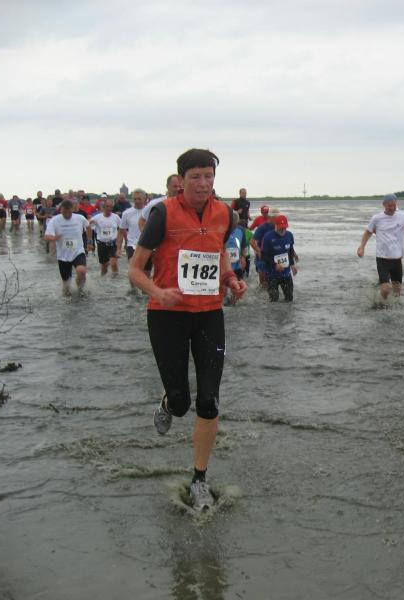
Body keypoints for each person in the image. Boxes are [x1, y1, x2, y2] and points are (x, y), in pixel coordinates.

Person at [128, 148, 246, 511]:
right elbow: (134, 270)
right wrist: (158, 292)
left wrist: (230, 278)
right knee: (181, 403)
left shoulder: (225, 213)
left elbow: (219, 252)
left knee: (209, 400)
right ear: (181, 180)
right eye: (195, 177)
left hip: (209, 314)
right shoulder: (162, 213)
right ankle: (168, 403)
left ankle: (199, 479)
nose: (203, 184)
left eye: (208, 176)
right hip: (168, 316)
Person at [44, 199, 93, 295]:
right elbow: (46, 236)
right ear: (61, 210)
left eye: (69, 212)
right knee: (66, 286)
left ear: (72, 209)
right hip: (63, 255)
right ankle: (68, 296)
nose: (67, 214)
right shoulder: (55, 220)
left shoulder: (80, 218)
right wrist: (54, 238)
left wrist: (89, 241)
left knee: (81, 271)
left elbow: (88, 227)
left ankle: (80, 291)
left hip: (78, 251)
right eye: (64, 212)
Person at [261, 214, 297, 302]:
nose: (282, 230)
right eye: (280, 228)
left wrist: (292, 264)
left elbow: (290, 251)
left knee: (289, 299)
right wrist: (275, 265)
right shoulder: (268, 237)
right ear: (275, 226)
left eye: (284, 228)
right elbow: (263, 256)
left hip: (286, 274)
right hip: (271, 274)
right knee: (274, 300)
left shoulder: (289, 235)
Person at [90, 198, 122, 276]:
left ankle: (115, 279)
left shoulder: (116, 217)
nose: (109, 209)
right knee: (104, 265)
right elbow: (88, 227)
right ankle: (103, 280)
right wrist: (89, 241)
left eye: (111, 207)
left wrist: (124, 240)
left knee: (113, 263)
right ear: (103, 207)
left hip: (113, 243)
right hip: (101, 244)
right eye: (107, 206)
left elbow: (122, 229)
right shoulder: (97, 217)